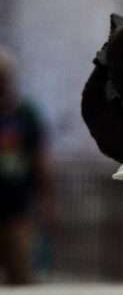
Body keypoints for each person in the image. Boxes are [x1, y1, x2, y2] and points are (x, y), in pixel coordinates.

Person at [0, 47, 54, 285]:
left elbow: (41, 160)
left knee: (21, 276)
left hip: (18, 212)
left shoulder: (25, 115)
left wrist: (46, 200)